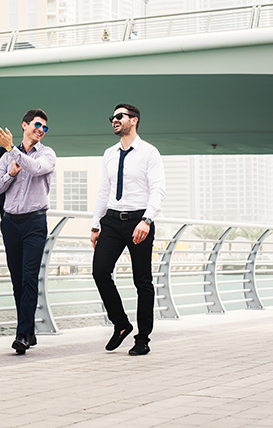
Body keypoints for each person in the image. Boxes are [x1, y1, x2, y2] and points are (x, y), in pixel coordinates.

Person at [91, 103, 165, 356]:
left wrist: (147, 220)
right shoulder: (109, 153)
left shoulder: (149, 152)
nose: (114, 120)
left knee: (142, 281)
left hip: (139, 220)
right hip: (111, 220)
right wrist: (95, 224)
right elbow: (104, 190)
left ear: (134, 120)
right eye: (112, 117)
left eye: (119, 116)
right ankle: (121, 323)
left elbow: (157, 189)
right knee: (100, 271)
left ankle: (142, 338)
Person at [0, 109, 56, 355]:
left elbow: (36, 168)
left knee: (29, 278)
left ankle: (21, 336)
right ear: (24, 125)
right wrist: (10, 174)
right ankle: (28, 331)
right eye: (37, 125)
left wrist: (11, 149)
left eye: (45, 127)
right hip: (10, 224)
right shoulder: (6, 157)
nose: (41, 130)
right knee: (17, 281)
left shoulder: (47, 154)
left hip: (34, 223)